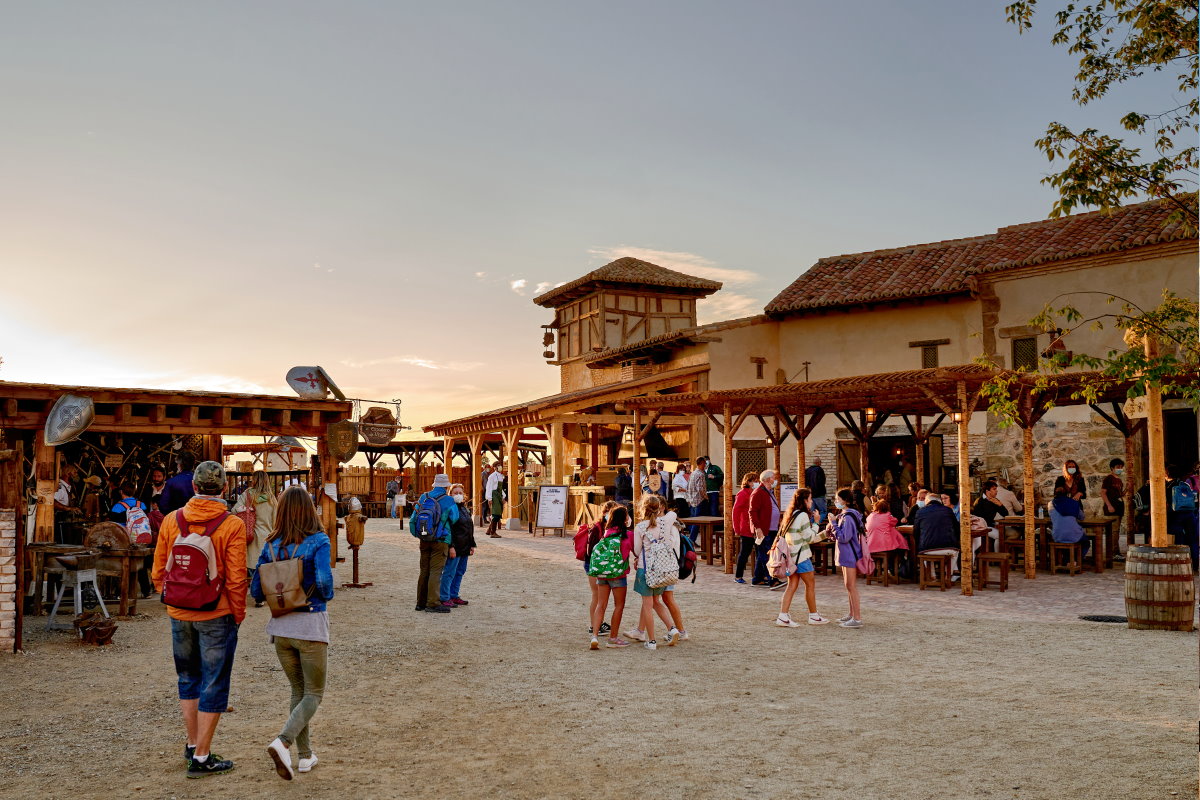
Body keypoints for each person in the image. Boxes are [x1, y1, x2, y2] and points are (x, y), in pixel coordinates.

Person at [151, 460, 247, 777]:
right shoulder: (231, 525)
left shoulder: (170, 520)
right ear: (224, 489)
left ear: (193, 487)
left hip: (179, 612)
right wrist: (237, 612)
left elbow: (158, 571)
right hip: (216, 612)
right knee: (214, 681)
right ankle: (203, 757)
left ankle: (192, 744)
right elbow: (236, 579)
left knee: (188, 677)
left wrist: (174, 599)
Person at [250, 487, 334, 780]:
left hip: (281, 627)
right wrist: (325, 594)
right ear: (309, 509)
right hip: (310, 624)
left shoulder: (270, 545)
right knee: (314, 692)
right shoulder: (319, 541)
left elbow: (256, 589)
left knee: (298, 691)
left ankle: (305, 756)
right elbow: (324, 583)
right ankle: (283, 742)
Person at [623, 494, 680, 650]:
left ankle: (652, 640)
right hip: (662, 569)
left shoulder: (640, 527)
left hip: (646, 568)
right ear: (659, 508)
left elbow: (636, 550)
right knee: (656, 602)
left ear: (643, 509)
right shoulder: (665, 523)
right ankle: (672, 628)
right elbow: (673, 514)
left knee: (647, 605)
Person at [775, 488, 830, 627]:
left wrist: (823, 533)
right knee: (810, 585)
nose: (811, 502)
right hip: (801, 556)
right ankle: (813, 615)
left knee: (792, 585)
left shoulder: (791, 514)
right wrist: (817, 523)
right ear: (805, 501)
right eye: (810, 499)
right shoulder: (803, 516)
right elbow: (810, 538)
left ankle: (783, 616)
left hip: (791, 556)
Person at [588, 505, 634, 649]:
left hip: (603, 573)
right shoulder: (627, 535)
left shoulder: (606, 533)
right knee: (618, 605)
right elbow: (634, 551)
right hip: (618, 574)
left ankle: (595, 635)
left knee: (601, 605)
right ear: (624, 519)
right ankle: (613, 638)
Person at [233, 470, 278, 608]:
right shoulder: (271, 498)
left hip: (251, 535)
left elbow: (234, 510)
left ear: (254, 480)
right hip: (268, 537)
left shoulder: (247, 495)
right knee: (265, 567)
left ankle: (258, 596)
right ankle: (264, 594)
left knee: (253, 568)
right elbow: (277, 521)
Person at [416, 474, 459, 613]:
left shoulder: (424, 497)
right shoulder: (449, 500)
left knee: (424, 571)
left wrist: (421, 535)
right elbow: (455, 518)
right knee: (436, 571)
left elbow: (413, 518)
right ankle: (433, 603)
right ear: (446, 486)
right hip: (441, 539)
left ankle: (420, 602)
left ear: (434, 485)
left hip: (424, 538)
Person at [827, 488, 865, 628]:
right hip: (845, 554)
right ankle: (851, 614)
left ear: (845, 500)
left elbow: (844, 537)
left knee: (851, 586)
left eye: (838, 499)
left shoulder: (848, 517)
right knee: (848, 586)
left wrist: (834, 524)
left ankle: (857, 618)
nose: (836, 501)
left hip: (850, 554)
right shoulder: (844, 515)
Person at [583, 501, 621, 637]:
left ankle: (598, 622)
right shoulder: (597, 527)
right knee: (597, 596)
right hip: (593, 565)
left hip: (602, 565)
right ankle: (594, 625)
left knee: (601, 598)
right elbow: (590, 551)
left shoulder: (610, 527)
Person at [111, 481, 154, 597]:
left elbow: (115, 526)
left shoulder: (117, 506)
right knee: (141, 565)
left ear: (121, 492)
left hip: (125, 540)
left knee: (121, 566)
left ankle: (120, 593)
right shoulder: (142, 505)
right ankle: (146, 591)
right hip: (140, 539)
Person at [440, 484, 477, 608]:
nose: (458, 495)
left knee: (460, 571)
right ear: (450, 495)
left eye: (460, 492)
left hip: (465, 547)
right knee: (449, 572)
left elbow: (469, 527)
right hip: (455, 547)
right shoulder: (450, 509)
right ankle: (444, 597)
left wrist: (472, 544)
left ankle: (454, 595)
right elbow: (448, 529)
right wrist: (451, 546)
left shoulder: (464, 509)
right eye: (455, 493)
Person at [749, 469, 784, 587]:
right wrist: (757, 528)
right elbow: (752, 512)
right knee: (766, 554)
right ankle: (772, 579)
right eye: (774, 478)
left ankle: (757, 578)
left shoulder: (769, 491)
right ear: (768, 479)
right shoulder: (758, 492)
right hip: (764, 529)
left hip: (772, 528)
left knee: (762, 554)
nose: (775, 480)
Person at [913, 491, 961, 576]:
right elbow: (957, 529)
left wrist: (919, 544)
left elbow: (916, 532)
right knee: (955, 553)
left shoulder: (920, 512)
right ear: (939, 501)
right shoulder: (948, 510)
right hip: (949, 547)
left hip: (927, 548)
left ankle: (932, 576)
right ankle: (948, 575)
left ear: (927, 501)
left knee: (924, 553)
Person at [1167, 464, 1199, 569]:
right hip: (1189, 513)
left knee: (1178, 540)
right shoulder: (1185, 484)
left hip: (1176, 515)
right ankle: (1195, 564)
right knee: (1192, 539)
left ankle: (1180, 564)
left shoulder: (1168, 486)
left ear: (1167, 473)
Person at [731, 472, 759, 584]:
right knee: (744, 553)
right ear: (748, 482)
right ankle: (738, 576)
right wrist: (736, 528)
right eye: (754, 481)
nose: (756, 483)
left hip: (755, 528)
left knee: (759, 552)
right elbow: (735, 512)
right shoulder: (742, 494)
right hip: (746, 528)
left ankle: (759, 576)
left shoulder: (755, 493)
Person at [1049, 485, 1089, 559]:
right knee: (1086, 542)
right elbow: (1082, 517)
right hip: (1073, 533)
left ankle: (1066, 561)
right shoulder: (1073, 503)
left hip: (1057, 535)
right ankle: (1075, 561)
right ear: (1067, 494)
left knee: (1064, 542)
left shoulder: (1050, 504)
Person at [971, 480, 1007, 550]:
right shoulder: (980, 501)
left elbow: (1005, 514)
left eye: (996, 489)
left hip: (989, 526)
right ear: (987, 491)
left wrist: (1000, 505)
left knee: (1001, 534)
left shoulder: (994, 500)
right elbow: (984, 518)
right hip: (981, 528)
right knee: (999, 535)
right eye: (994, 489)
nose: (996, 491)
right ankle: (997, 557)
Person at [484, 464, 506, 538]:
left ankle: (489, 530)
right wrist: (489, 498)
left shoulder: (500, 476)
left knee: (498, 513)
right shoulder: (492, 476)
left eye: (500, 465)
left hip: (499, 495)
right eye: (498, 465)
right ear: (494, 467)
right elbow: (489, 487)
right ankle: (493, 532)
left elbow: (500, 488)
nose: (500, 467)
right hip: (494, 495)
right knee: (495, 514)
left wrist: (503, 496)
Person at [805, 457, 828, 525]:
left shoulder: (807, 470)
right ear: (818, 463)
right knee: (823, 512)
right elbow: (822, 482)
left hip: (810, 495)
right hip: (819, 495)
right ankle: (816, 525)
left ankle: (811, 526)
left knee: (812, 513)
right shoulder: (819, 470)